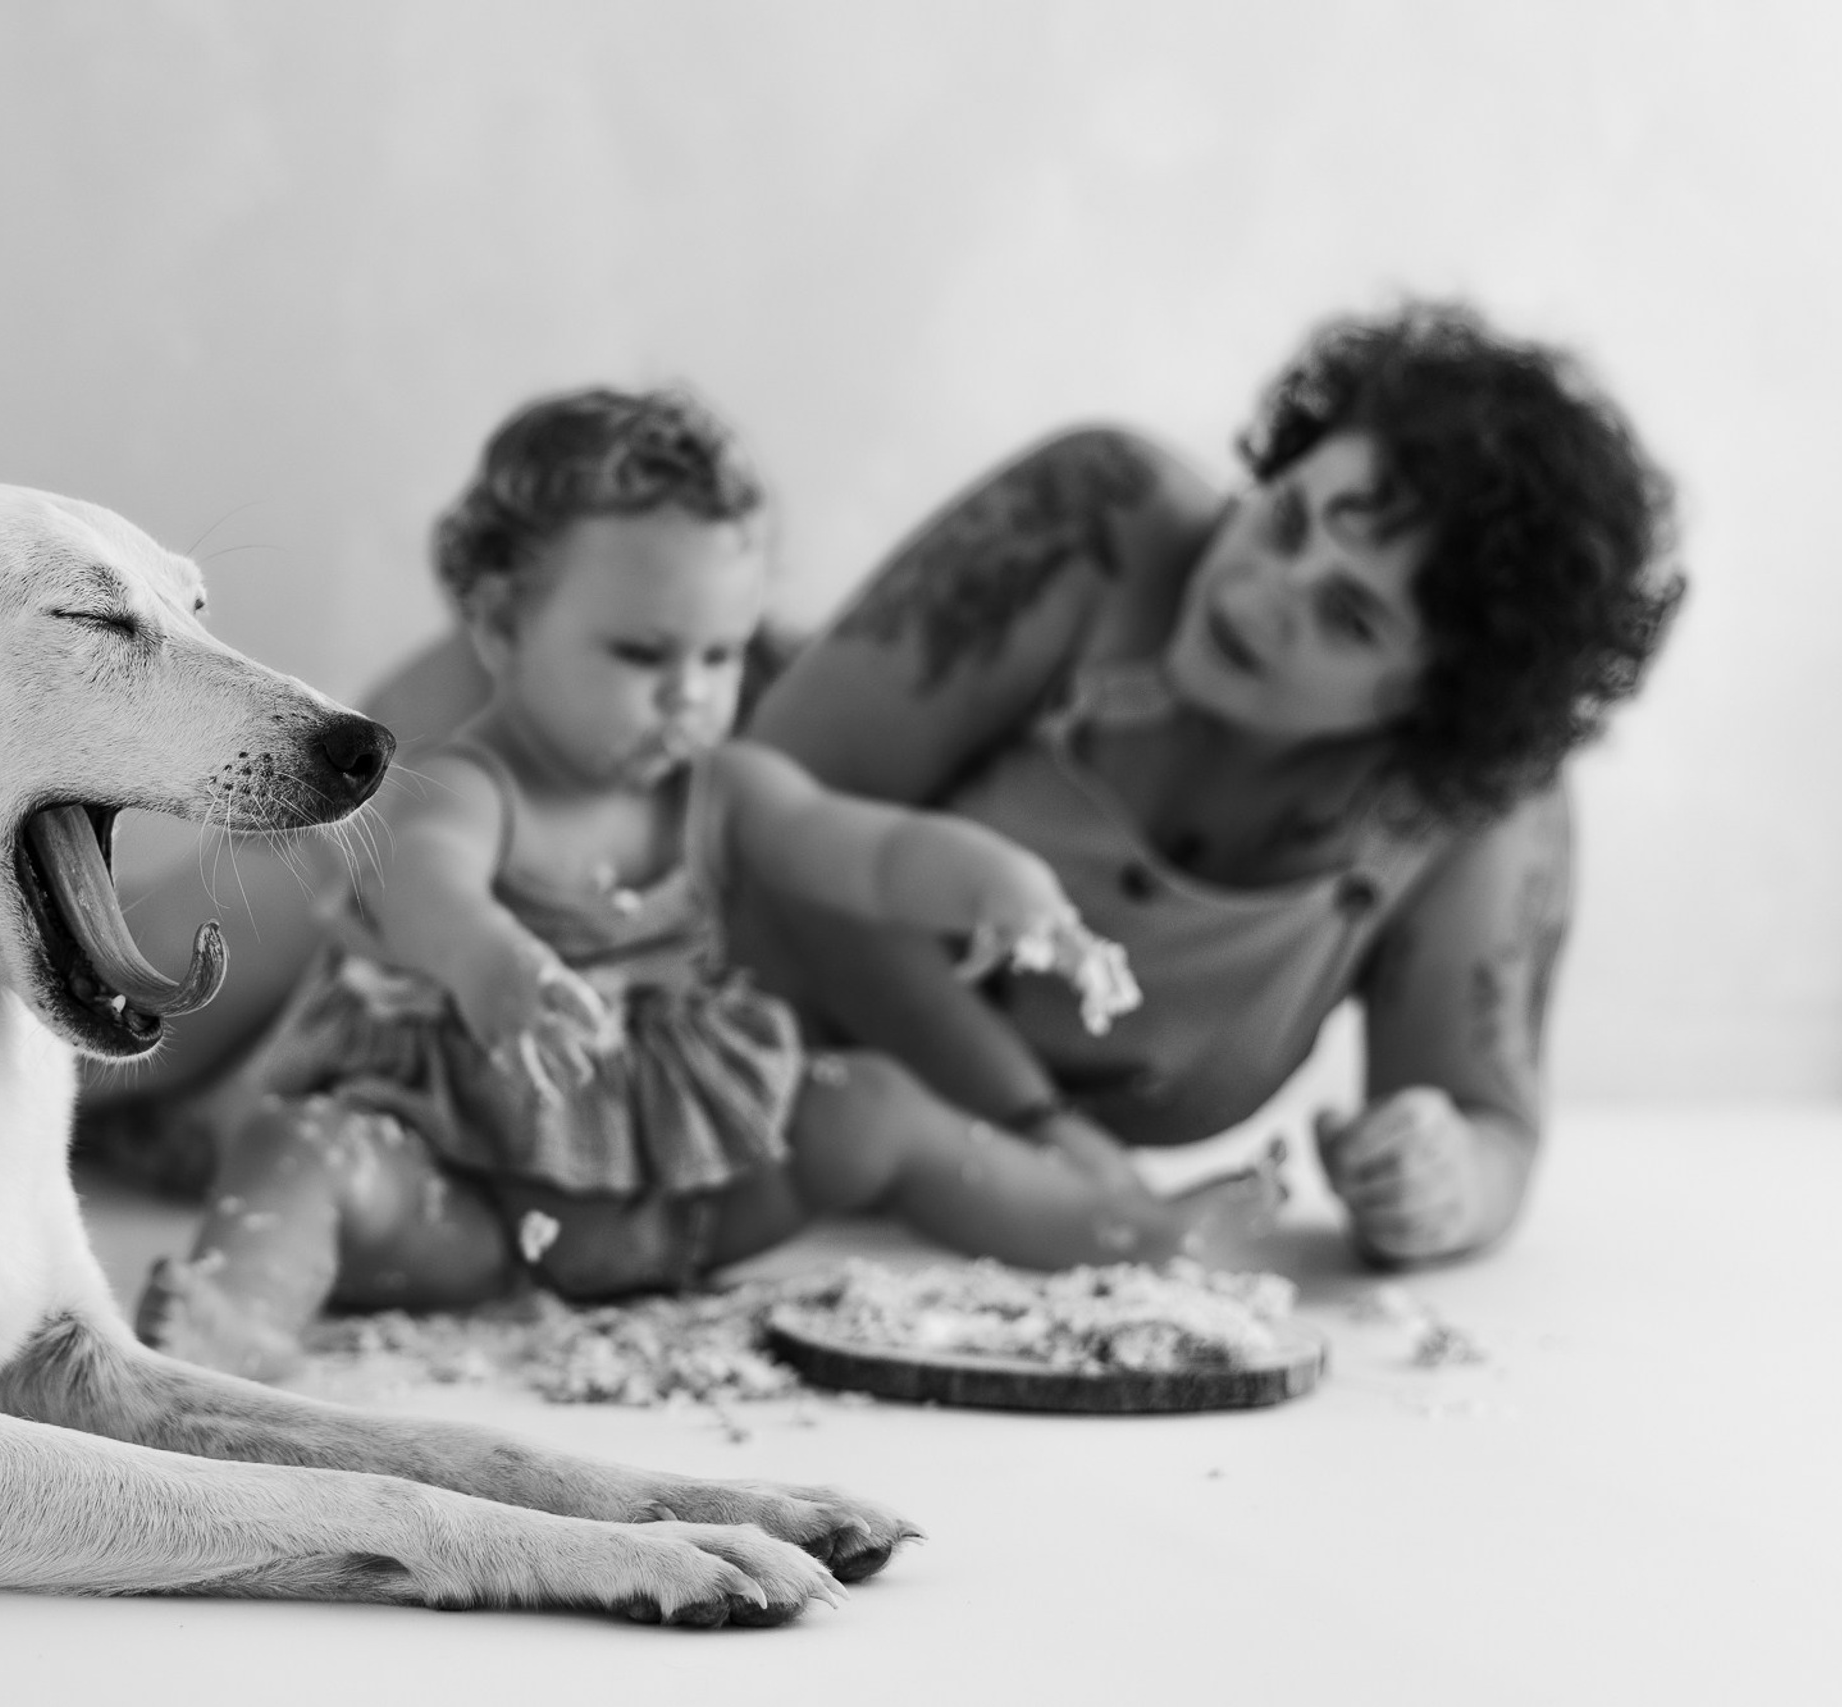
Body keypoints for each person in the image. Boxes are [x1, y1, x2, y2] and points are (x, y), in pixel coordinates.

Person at [134, 387, 1266, 1378]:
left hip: (681, 1201)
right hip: (469, 1202)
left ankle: (1121, 1232)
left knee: (869, 1104)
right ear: (499, 623)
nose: (688, 696)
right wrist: (495, 964)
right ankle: (231, 1321)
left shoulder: (724, 790)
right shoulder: (468, 789)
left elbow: (864, 851)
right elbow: (428, 889)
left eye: (720, 657)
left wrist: (996, 885)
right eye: (642, 655)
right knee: (299, 1146)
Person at [732, 302, 1683, 1268]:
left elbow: (1491, 1127)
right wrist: (1039, 1126)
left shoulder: (1476, 810)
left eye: (1347, 618)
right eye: (1284, 519)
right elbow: (753, 819)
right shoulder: (1090, 521)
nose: (1258, 593)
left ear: (1436, 709)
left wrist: (1438, 1180)